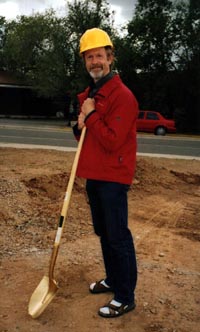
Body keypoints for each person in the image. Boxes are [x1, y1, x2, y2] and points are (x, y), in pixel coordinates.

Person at [73, 27, 138, 318]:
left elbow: (112, 140)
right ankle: (113, 279)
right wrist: (79, 124)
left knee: (117, 237)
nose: (94, 62)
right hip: (94, 175)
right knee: (104, 234)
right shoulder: (90, 94)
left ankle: (125, 296)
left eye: (99, 55)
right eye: (89, 57)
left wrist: (92, 115)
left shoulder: (122, 96)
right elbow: (86, 138)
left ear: (110, 58)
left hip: (113, 177)